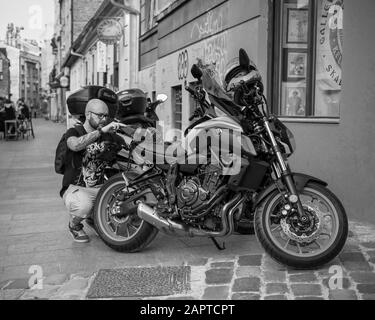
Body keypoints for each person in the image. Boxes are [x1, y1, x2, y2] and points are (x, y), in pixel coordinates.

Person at [61, 99, 126, 243]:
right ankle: (74, 225)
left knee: (127, 197)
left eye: (106, 116)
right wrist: (100, 131)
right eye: (100, 115)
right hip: (76, 188)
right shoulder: (74, 131)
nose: (104, 119)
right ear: (88, 114)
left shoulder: (109, 136)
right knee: (83, 206)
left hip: (101, 188)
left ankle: (95, 218)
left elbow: (127, 150)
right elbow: (75, 145)